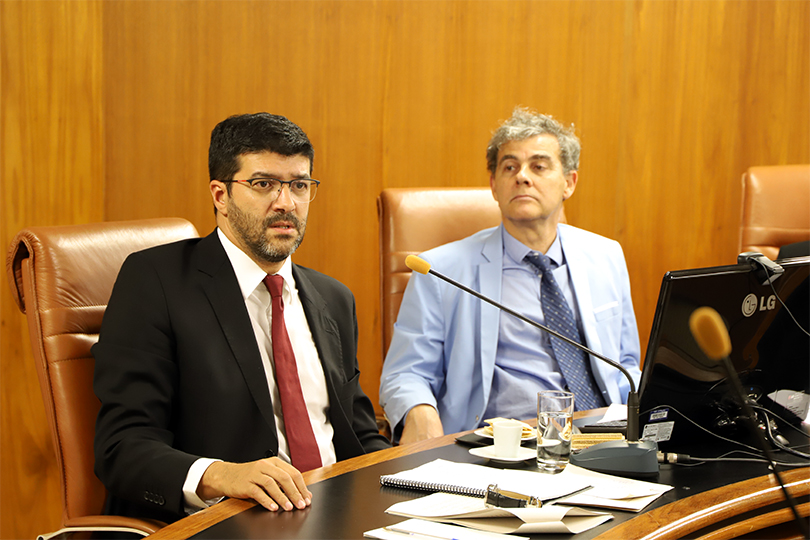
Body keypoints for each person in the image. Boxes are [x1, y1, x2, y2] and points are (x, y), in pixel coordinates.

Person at [93, 113, 390, 523]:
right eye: (264, 184)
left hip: (339, 514)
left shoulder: (333, 298)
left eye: (299, 185)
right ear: (220, 195)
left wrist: (414, 490)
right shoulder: (156, 282)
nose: (286, 203)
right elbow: (122, 447)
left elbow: (359, 434)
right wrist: (222, 476)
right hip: (229, 522)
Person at [379, 107, 641, 444]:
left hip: (604, 440)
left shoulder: (606, 255)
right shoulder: (439, 271)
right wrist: (420, 412)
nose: (522, 177)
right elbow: (405, 373)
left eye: (539, 166)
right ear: (494, 185)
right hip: (504, 447)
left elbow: (627, 364)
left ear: (569, 183)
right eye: (510, 167)